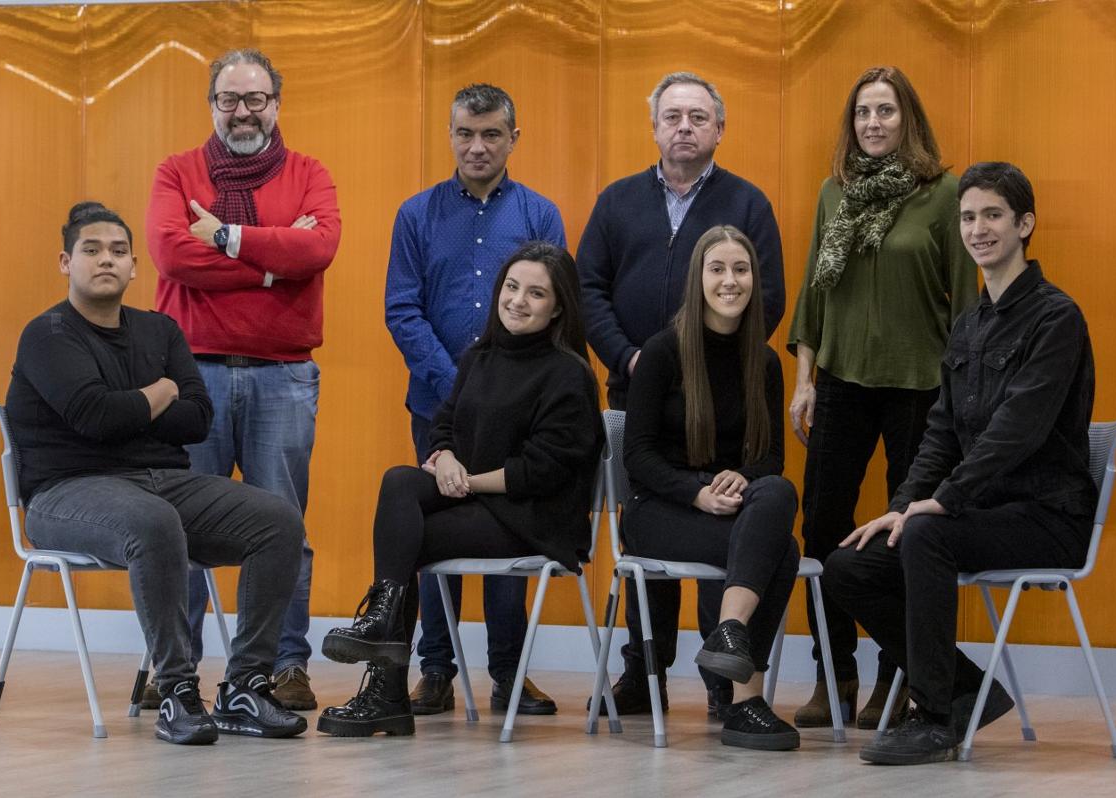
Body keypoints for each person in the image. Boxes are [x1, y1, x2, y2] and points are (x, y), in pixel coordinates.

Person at [6, 202, 308, 745]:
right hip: (66, 493)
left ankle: (244, 686)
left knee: (279, 521)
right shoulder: (47, 334)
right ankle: (176, 690)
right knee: (152, 522)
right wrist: (160, 392)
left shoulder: (160, 330)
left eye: (119, 252)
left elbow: (196, 419)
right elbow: (95, 417)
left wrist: (140, 406)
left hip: (162, 480)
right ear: (64, 262)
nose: (106, 261)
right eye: (92, 250)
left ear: (134, 267)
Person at [825, 162, 1095, 765]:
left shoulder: (1057, 319)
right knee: (848, 566)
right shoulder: (969, 324)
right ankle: (969, 687)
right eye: (969, 217)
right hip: (981, 513)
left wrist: (941, 501)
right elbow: (942, 433)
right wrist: (898, 508)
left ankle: (934, 715)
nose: (978, 228)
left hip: (1047, 516)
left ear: (1025, 224)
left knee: (927, 535)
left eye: (993, 215)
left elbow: (1016, 433)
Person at [317, 242, 602, 737]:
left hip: (533, 517)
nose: (517, 300)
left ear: (558, 307)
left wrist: (466, 481)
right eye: (512, 287)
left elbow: (544, 470)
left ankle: (384, 691)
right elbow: (444, 424)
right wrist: (445, 457)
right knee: (399, 481)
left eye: (535, 294)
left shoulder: (569, 374)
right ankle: (385, 620)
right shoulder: (479, 356)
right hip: (478, 498)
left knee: (408, 542)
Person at [578, 70, 786, 717]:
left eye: (699, 116)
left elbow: (770, 294)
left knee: (746, 517)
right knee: (682, 526)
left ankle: (724, 674)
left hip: (728, 390)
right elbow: (588, 290)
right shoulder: (617, 202)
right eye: (674, 116)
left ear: (719, 128)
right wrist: (636, 357)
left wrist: (719, 361)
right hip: (640, 380)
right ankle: (646, 671)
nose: (686, 127)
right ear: (655, 126)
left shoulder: (747, 203)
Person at [145, 48, 341, 710]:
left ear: (277, 105)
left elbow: (318, 250)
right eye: (230, 99)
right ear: (212, 106)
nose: (243, 112)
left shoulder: (311, 173)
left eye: (256, 99)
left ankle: (283, 665)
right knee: (175, 527)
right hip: (189, 376)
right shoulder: (176, 171)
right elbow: (173, 254)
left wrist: (224, 237)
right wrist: (268, 260)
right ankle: (174, 667)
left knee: (284, 524)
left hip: (282, 377)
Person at [785, 66, 977, 729]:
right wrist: (804, 380)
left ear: (909, 120)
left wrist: (962, 401)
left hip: (921, 388)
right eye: (863, 112)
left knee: (905, 535)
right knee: (821, 530)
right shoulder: (832, 194)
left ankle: (897, 680)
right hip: (840, 382)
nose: (873, 123)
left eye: (886, 112)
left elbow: (966, 305)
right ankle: (831, 674)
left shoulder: (945, 194)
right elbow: (814, 293)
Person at [385, 83, 567, 716]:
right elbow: (402, 310)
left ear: (514, 138)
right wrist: (456, 387)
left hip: (519, 411)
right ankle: (434, 670)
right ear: (451, 134)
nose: (478, 145)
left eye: (492, 133)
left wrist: (499, 391)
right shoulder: (417, 214)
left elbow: (551, 310)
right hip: (436, 407)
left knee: (505, 532)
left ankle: (509, 672)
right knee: (434, 535)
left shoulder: (540, 216)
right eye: (465, 132)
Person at [622, 226, 800, 750]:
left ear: (754, 280)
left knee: (779, 491)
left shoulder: (764, 361)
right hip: (661, 509)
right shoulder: (662, 352)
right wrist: (696, 492)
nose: (730, 281)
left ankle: (727, 637)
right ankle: (743, 698)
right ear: (697, 279)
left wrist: (743, 478)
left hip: (735, 505)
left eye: (741, 270)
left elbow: (771, 458)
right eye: (717, 269)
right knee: (780, 551)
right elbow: (638, 456)